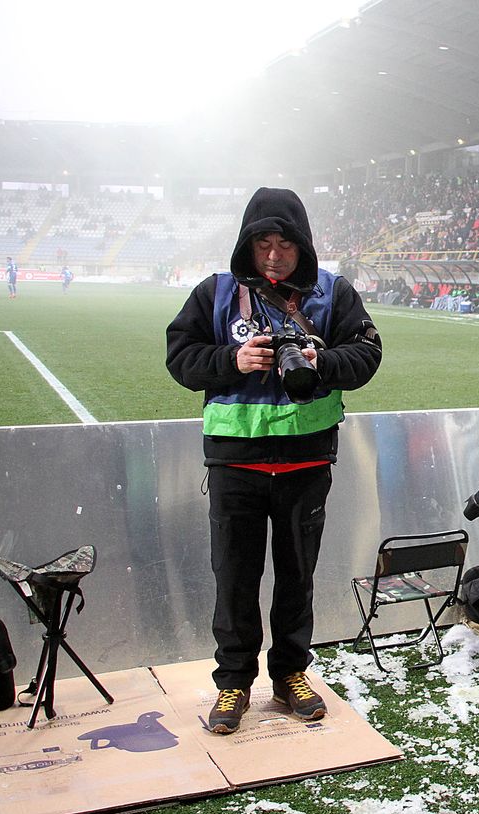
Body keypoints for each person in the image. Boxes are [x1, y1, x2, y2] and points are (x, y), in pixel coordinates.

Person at [166, 188, 382, 734]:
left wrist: (322, 359)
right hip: (235, 465)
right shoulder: (215, 293)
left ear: (302, 246)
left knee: (296, 577)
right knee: (234, 578)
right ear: (247, 244)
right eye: (263, 242)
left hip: (307, 463)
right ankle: (234, 682)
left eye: (284, 243)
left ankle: (290, 674)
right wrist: (231, 359)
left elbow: (368, 352)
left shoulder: (333, 293)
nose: (273, 254)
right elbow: (179, 355)